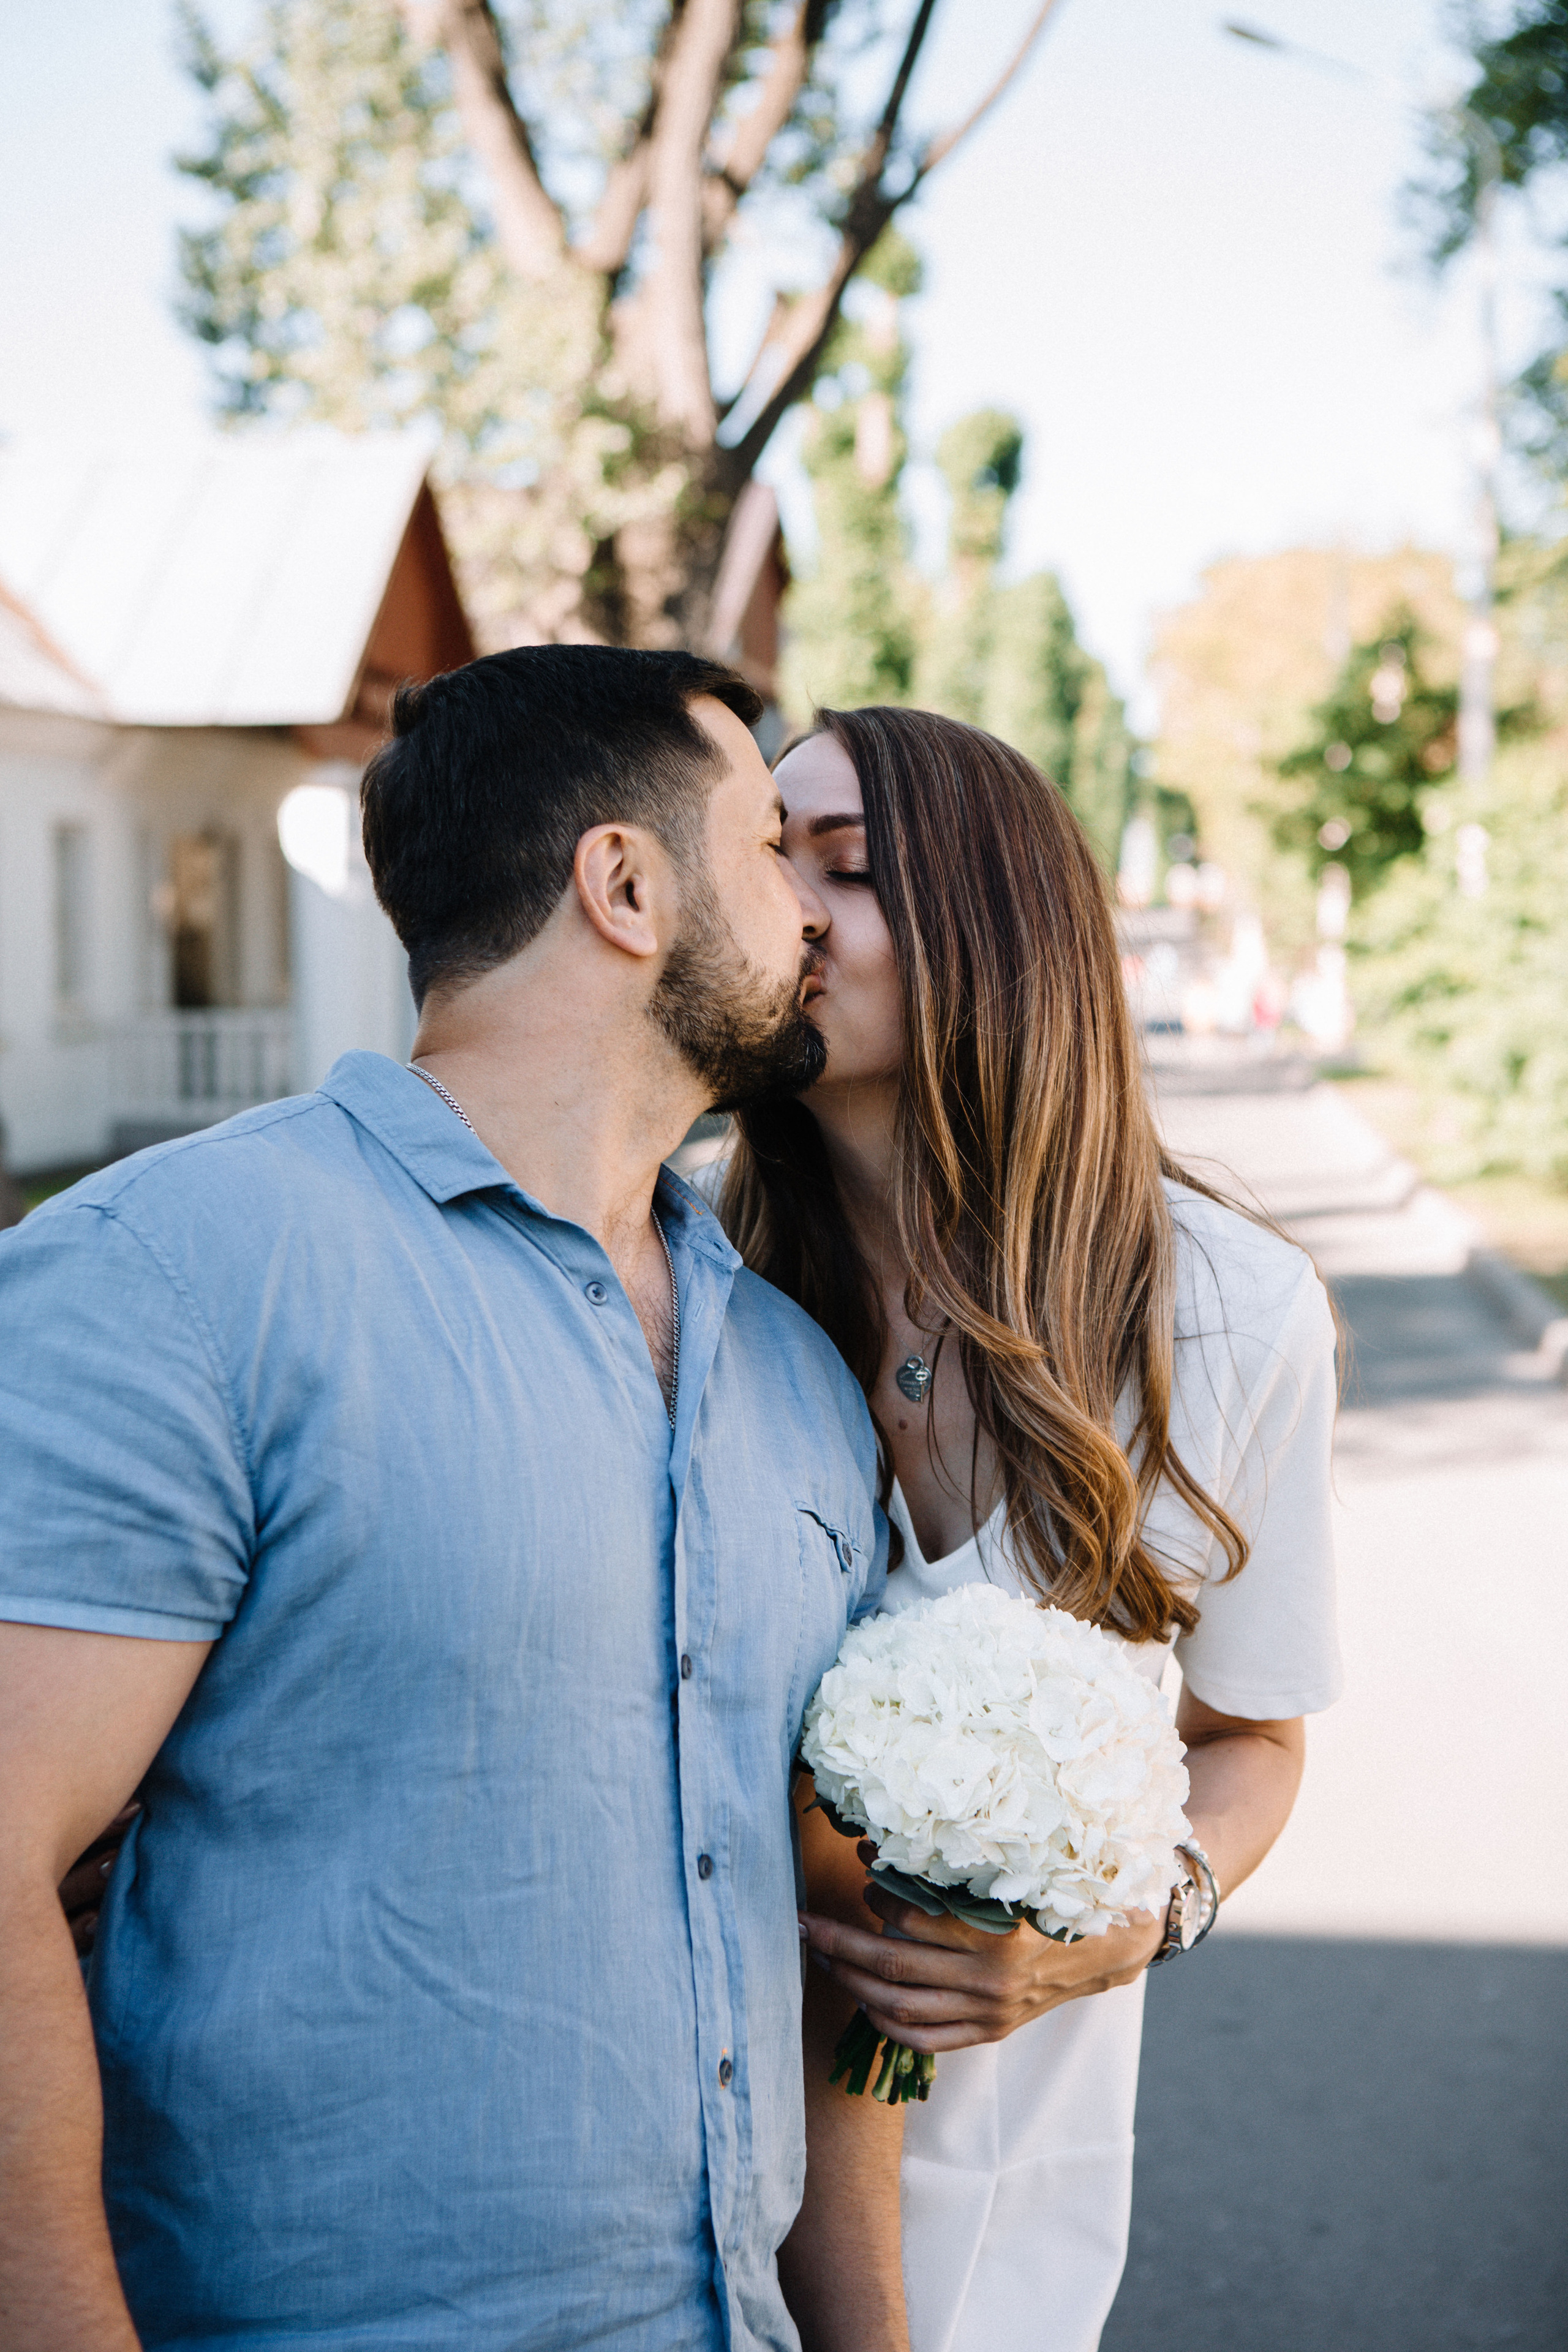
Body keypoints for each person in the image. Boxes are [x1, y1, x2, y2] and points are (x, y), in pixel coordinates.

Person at [0, 649, 910, 2352]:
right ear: (625, 886)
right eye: (765, 848)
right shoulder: (172, 1277)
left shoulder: (797, 1374)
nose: (811, 911)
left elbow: (819, 1941)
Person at [708, 707, 1343, 2352]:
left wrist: (1135, 1922)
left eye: (844, 867)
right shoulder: (693, 1290)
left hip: (1011, 2188)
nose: (783, 909)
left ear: (993, 930)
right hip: (688, 2171)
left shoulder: (1230, 1314)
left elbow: (1253, 1737)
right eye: (761, 854)